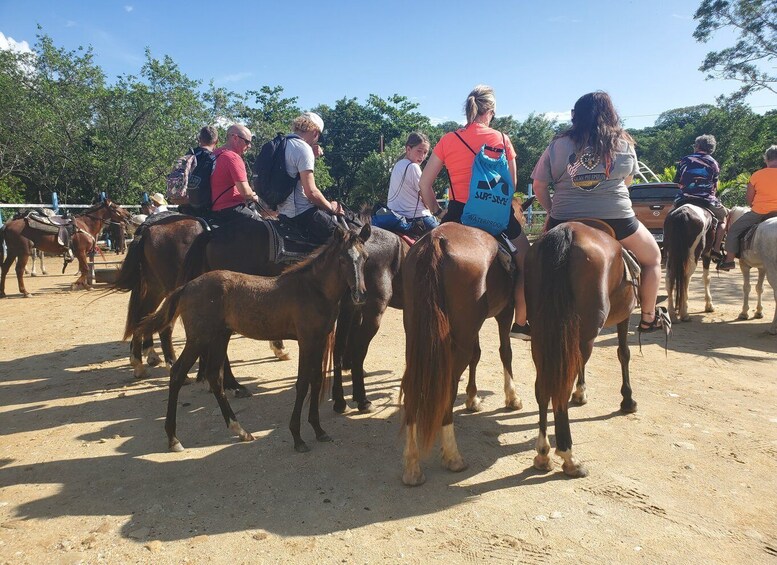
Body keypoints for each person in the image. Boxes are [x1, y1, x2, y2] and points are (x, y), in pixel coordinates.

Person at [531, 91, 665, 333]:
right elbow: (627, 182)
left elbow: (539, 185)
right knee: (653, 258)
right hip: (617, 218)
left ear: (576, 115)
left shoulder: (557, 144)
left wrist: (552, 211)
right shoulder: (624, 143)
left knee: (533, 263)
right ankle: (648, 317)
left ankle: (528, 316)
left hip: (565, 216)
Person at [418, 85, 531, 339]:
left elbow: (424, 184)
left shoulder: (449, 139)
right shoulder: (502, 139)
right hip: (497, 217)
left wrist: (437, 211)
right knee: (528, 261)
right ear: (490, 111)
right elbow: (510, 185)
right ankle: (522, 322)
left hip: (457, 214)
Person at [277, 112, 343, 243]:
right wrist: (332, 208)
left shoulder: (281, 144)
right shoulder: (303, 149)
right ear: (315, 133)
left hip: (283, 211)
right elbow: (311, 193)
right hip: (301, 213)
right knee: (344, 239)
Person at [718, 144, 777, 270]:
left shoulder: (757, 175)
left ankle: (729, 261)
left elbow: (749, 199)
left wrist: (754, 206)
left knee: (733, 231)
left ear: (766, 159)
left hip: (759, 212)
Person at [673, 134, 727, 257]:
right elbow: (715, 184)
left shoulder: (685, 160)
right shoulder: (714, 163)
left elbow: (677, 182)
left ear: (697, 146)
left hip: (684, 197)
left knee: (669, 217)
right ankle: (716, 249)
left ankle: (668, 243)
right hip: (706, 199)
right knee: (723, 219)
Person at [384, 132, 439, 235]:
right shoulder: (413, 167)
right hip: (416, 217)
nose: (422, 156)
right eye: (419, 151)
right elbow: (425, 196)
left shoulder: (397, 165)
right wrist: (438, 211)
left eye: (425, 152)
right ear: (408, 149)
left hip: (395, 217)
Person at [210, 124, 262, 222]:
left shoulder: (214, 154)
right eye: (247, 142)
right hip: (230, 209)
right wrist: (254, 196)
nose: (249, 146)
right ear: (235, 138)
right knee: (268, 229)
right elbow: (245, 192)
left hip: (211, 208)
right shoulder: (233, 157)